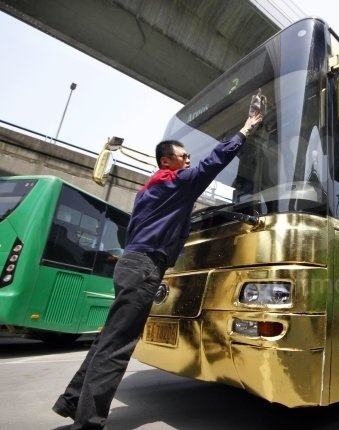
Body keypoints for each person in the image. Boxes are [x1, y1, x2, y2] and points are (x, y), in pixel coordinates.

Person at [52, 111, 263, 429]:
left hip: (130, 265)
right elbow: (214, 163)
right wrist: (245, 130)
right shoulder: (175, 184)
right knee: (118, 346)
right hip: (144, 268)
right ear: (167, 162)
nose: (189, 160)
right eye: (184, 156)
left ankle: (71, 400)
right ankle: (88, 422)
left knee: (107, 340)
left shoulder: (149, 191)